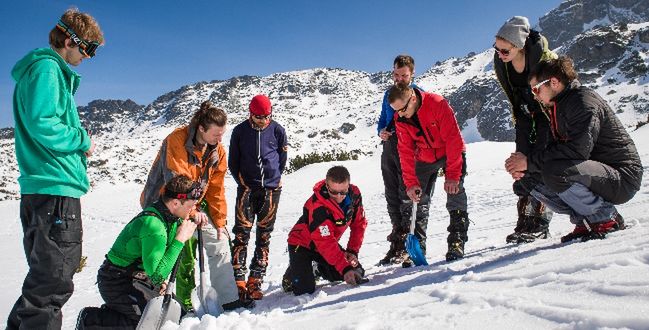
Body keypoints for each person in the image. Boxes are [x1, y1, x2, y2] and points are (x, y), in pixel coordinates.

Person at [7, 8, 104, 329]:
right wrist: (80, 138)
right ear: (68, 40)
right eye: (87, 48)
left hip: (46, 190)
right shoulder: (48, 70)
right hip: (53, 190)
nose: (88, 56)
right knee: (52, 283)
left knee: (44, 281)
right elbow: (42, 122)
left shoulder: (44, 72)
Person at [507, 56, 642, 242]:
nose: (535, 96)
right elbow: (556, 149)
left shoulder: (583, 102)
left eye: (536, 89)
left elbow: (577, 151)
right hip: (596, 173)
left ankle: (605, 218)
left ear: (553, 82)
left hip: (622, 177)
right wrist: (525, 167)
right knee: (528, 180)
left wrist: (529, 161)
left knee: (557, 172)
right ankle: (586, 221)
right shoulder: (560, 105)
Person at [140, 101, 253, 311]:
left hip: (194, 205)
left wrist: (219, 221)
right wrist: (192, 212)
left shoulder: (217, 151)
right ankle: (182, 304)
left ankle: (229, 300)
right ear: (201, 128)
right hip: (167, 204)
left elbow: (216, 189)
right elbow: (176, 181)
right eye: (216, 135)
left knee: (219, 240)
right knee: (183, 252)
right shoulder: (177, 140)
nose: (220, 140)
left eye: (222, 135)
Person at [76, 175, 199, 329]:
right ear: (175, 203)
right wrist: (180, 240)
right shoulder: (154, 226)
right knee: (145, 321)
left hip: (140, 277)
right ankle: (91, 319)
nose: (192, 210)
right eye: (190, 206)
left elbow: (156, 272)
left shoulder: (171, 216)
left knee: (176, 317)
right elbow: (157, 275)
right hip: (116, 280)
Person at [388, 82, 470, 264]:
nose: (400, 114)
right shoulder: (400, 118)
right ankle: (417, 248)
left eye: (402, 109)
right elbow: (405, 151)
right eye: (396, 110)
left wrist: (452, 176)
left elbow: (453, 140)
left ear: (413, 99)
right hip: (424, 157)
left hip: (450, 152)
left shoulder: (437, 103)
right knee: (416, 200)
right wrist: (411, 183)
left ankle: (457, 242)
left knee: (454, 191)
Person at [494, 16, 557, 244]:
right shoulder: (504, 64)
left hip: (546, 117)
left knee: (538, 164)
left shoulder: (545, 61)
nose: (499, 54)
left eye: (504, 49)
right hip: (523, 116)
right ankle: (525, 222)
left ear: (518, 45)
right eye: (497, 49)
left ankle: (540, 223)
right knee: (520, 167)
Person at [229, 94, 288, 300]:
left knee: (264, 236)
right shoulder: (239, 131)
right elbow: (233, 162)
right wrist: (242, 182)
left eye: (266, 116)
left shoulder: (278, 130)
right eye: (258, 117)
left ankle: (256, 280)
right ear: (250, 113)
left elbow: (281, 159)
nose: (263, 120)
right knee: (241, 235)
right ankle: (238, 281)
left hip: (271, 191)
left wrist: (274, 179)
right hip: (246, 190)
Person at [282, 166, 368, 295]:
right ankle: (292, 275)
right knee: (304, 290)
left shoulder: (354, 195)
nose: (339, 197)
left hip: (326, 245)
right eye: (334, 192)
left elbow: (358, 224)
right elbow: (325, 242)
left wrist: (352, 251)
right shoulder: (318, 206)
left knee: (356, 271)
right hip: (302, 244)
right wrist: (345, 268)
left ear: (348, 186)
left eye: (343, 192)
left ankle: (318, 269)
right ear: (327, 186)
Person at [377, 54, 424, 266]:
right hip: (389, 147)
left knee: (404, 194)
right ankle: (396, 243)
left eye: (403, 75)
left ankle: (407, 243)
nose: (399, 79)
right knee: (391, 195)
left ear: (411, 74)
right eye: (396, 74)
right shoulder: (389, 94)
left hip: (408, 148)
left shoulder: (417, 95)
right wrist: (381, 132)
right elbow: (382, 119)